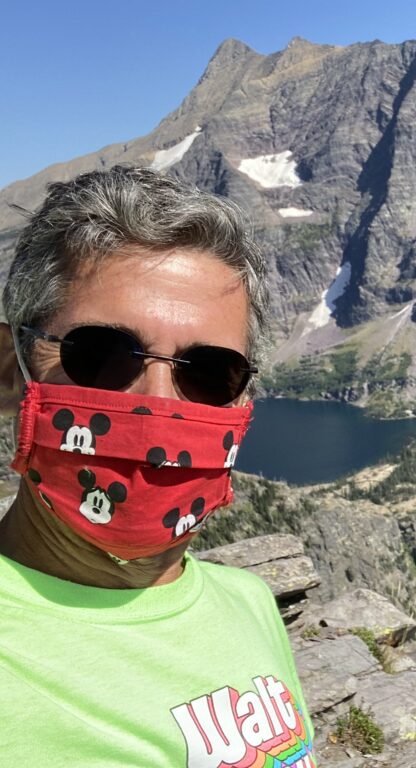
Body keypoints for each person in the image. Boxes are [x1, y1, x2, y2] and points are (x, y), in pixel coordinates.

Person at [0, 167, 317, 766]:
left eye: (209, 372)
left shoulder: (248, 602)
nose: (161, 405)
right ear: (12, 372)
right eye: (100, 354)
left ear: (242, 400)